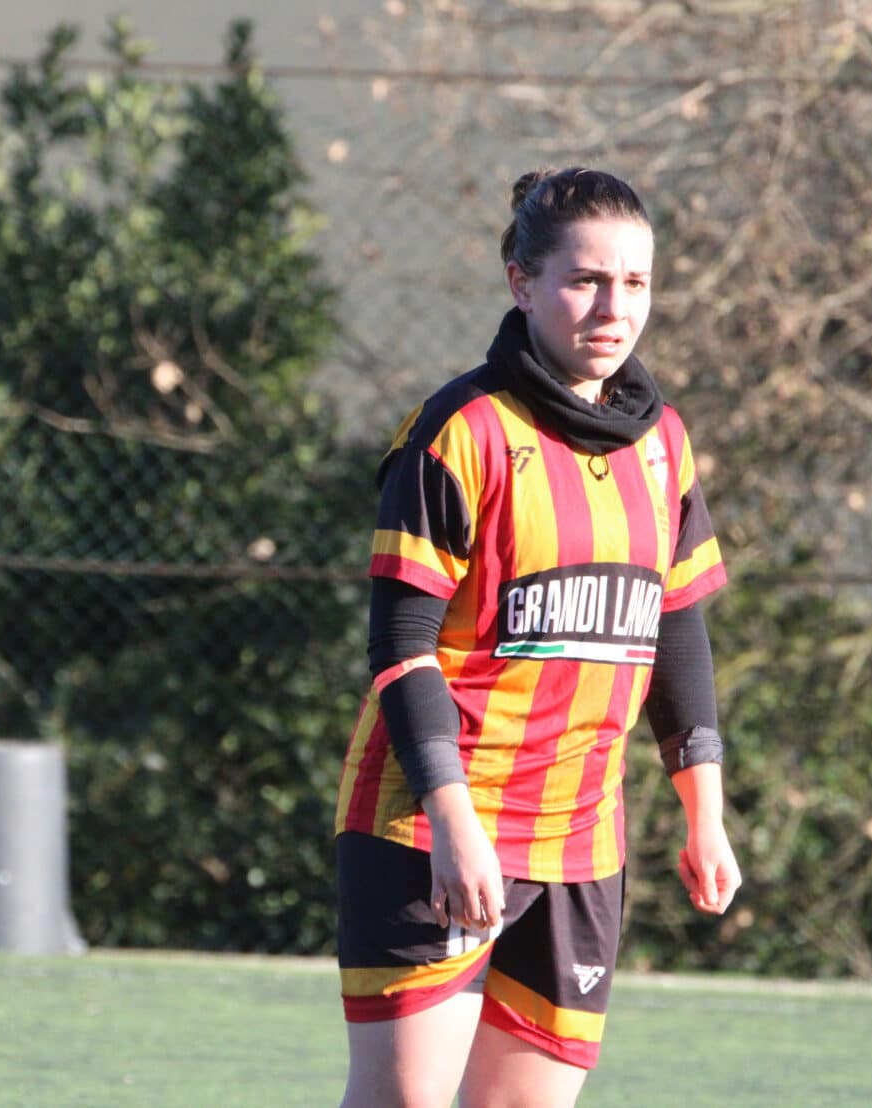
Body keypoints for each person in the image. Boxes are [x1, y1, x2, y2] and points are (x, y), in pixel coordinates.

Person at [334, 166, 741, 1108]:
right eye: (585, 280)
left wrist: (704, 813)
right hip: (433, 824)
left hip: (581, 842)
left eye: (635, 282)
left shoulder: (663, 444)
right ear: (521, 283)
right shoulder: (460, 431)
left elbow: (674, 629)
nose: (614, 307)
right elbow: (401, 645)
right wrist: (452, 823)